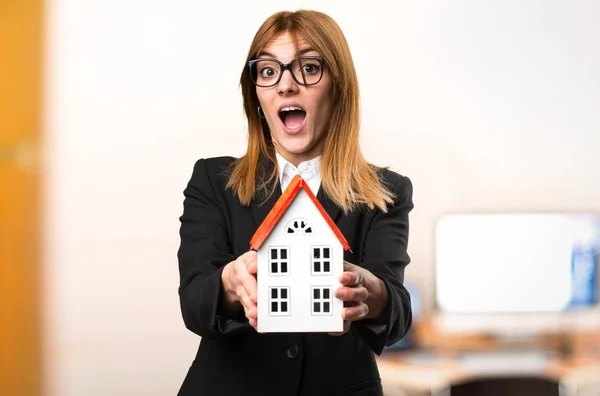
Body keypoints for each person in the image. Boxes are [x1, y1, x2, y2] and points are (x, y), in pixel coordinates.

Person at [177, 9, 414, 396]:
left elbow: (398, 313)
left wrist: (374, 295)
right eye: (268, 71)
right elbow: (194, 303)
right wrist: (228, 285)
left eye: (308, 68)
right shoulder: (212, 181)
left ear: (338, 88)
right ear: (257, 95)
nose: (286, 85)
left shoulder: (386, 191)